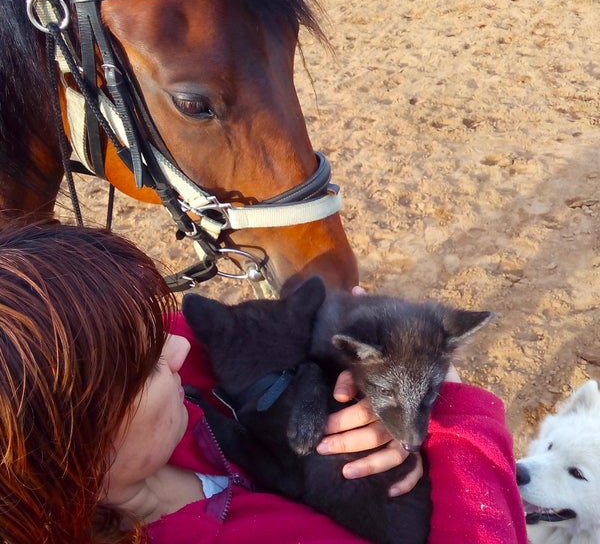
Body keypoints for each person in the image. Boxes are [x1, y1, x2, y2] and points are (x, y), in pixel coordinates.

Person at [0, 221, 527, 544]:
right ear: (78, 453)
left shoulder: (147, 377)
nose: (179, 346)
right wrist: (460, 417)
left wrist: (397, 373)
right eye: (146, 361)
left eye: (151, 326)